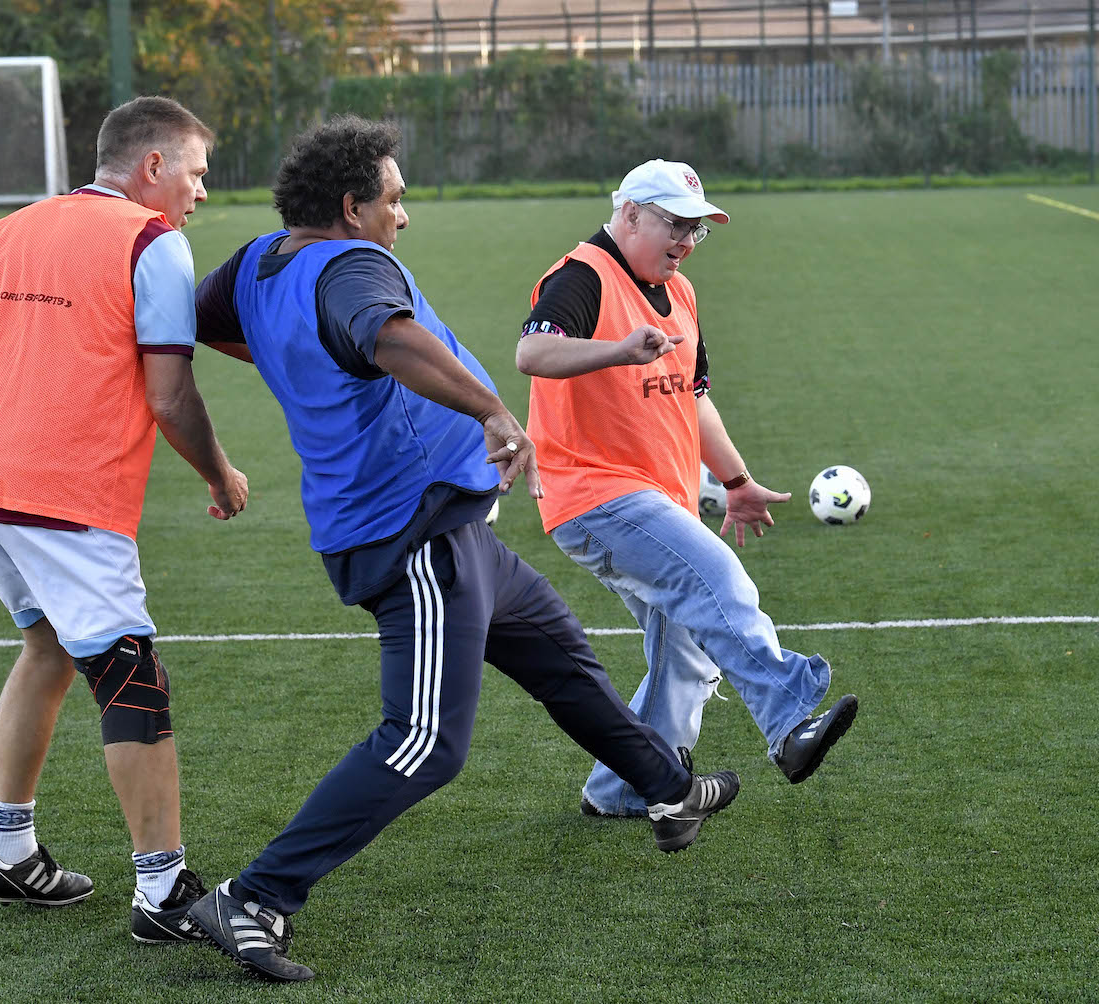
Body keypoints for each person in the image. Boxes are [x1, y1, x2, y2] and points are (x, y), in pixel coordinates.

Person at [186, 116, 739, 983]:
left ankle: (666, 785)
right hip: (413, 529)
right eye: (393, 199)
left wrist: (306, 368)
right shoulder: (351, 266)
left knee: (558, 653)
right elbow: (390, 336)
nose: (402, 217)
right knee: (423, 744)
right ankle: (254, 897)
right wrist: (491, 410)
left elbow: (210, 323)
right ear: (350, 204)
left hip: (438, 527)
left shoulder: (262, 260)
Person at [0, 96, 247, 943]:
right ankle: (163, 894)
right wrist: (222, 473)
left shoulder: (11, 227)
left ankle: (8, 853)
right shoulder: (151, 239)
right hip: (64, 494)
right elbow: (169, 394)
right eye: (196, 174)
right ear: (153, 167)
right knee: (131, 673)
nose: (200, 195)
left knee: (49, 647)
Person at [517, 159, 859, 819]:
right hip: (595, 496)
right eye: (673, 223)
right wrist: (617, 349)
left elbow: (692, 399)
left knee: (687, 653)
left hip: (655, 499)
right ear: (630, 215)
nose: (685, 240)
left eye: (697, 230)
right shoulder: (582, 275)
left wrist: (735, 480)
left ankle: (622, 790)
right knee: (718, 581)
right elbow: (532, 356)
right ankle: (788, 721)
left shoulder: (682, 293)